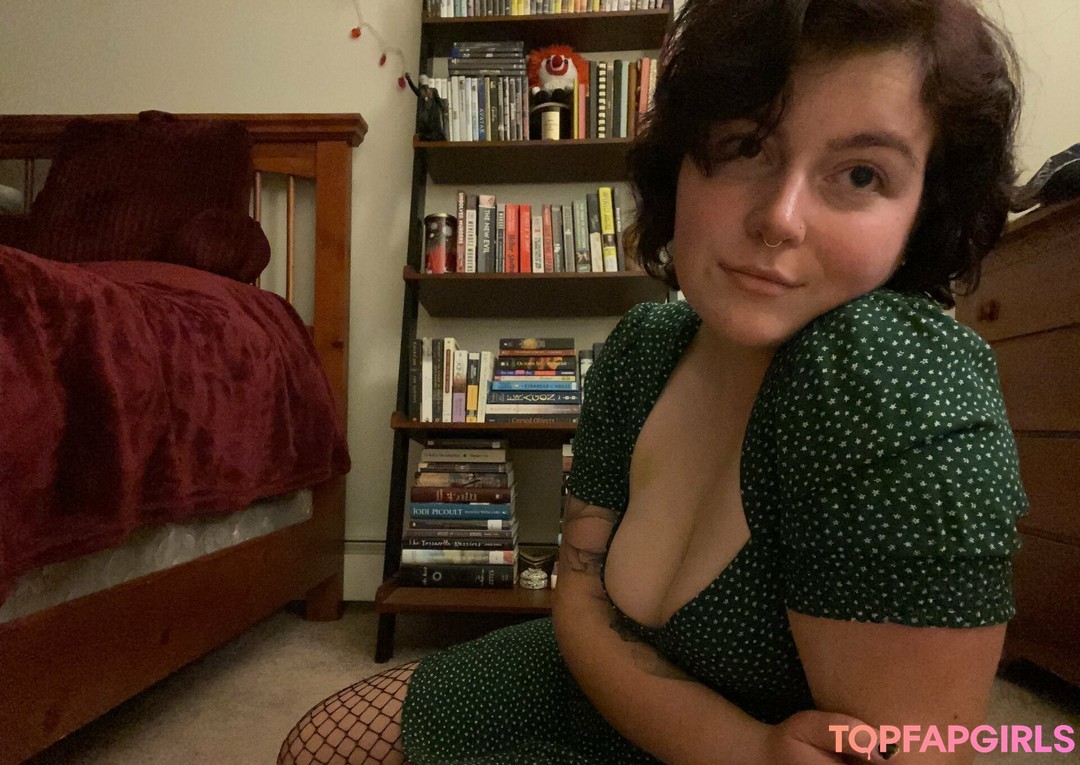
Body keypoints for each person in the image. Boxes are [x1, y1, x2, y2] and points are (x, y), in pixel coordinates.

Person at [279, 0, 1028, 762]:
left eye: (861, 174)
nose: (780, 217)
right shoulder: (644, 347)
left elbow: (918, 749)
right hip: (594, 684)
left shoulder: (892, 378)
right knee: (314, 746)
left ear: (924, 211)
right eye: (746, 145)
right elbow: (579, 601)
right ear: (682, 160)